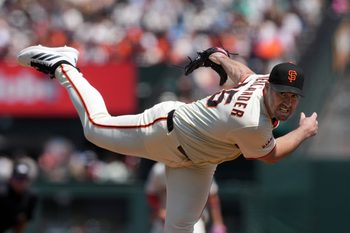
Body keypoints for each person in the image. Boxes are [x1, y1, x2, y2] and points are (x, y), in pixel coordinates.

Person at [16, 45, 318, 233]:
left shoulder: (261, 82)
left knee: (180, 228)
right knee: (94, 127)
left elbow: (243, 73)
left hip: (199, 162)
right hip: (167, 132)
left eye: (294, 97)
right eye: (282, 94)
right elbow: (271, 154)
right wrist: (303, 132)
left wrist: (218, 56)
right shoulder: (252, 122)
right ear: (269, 89)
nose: (288, 102)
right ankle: (63, 65)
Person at [145, 162, 227, 233]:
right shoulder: (159, 169)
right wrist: (159, 210)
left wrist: (218, 223)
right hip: (165, 220)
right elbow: (151, 194)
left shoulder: (201, 167)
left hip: (194, 220)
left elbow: (212, 196)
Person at [0, 160, 38, 233]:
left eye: (23, 179)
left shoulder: (30, 198)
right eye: (18, 179)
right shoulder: (2, 193)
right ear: (11, 179)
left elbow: (23, 222)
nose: (20, 182)